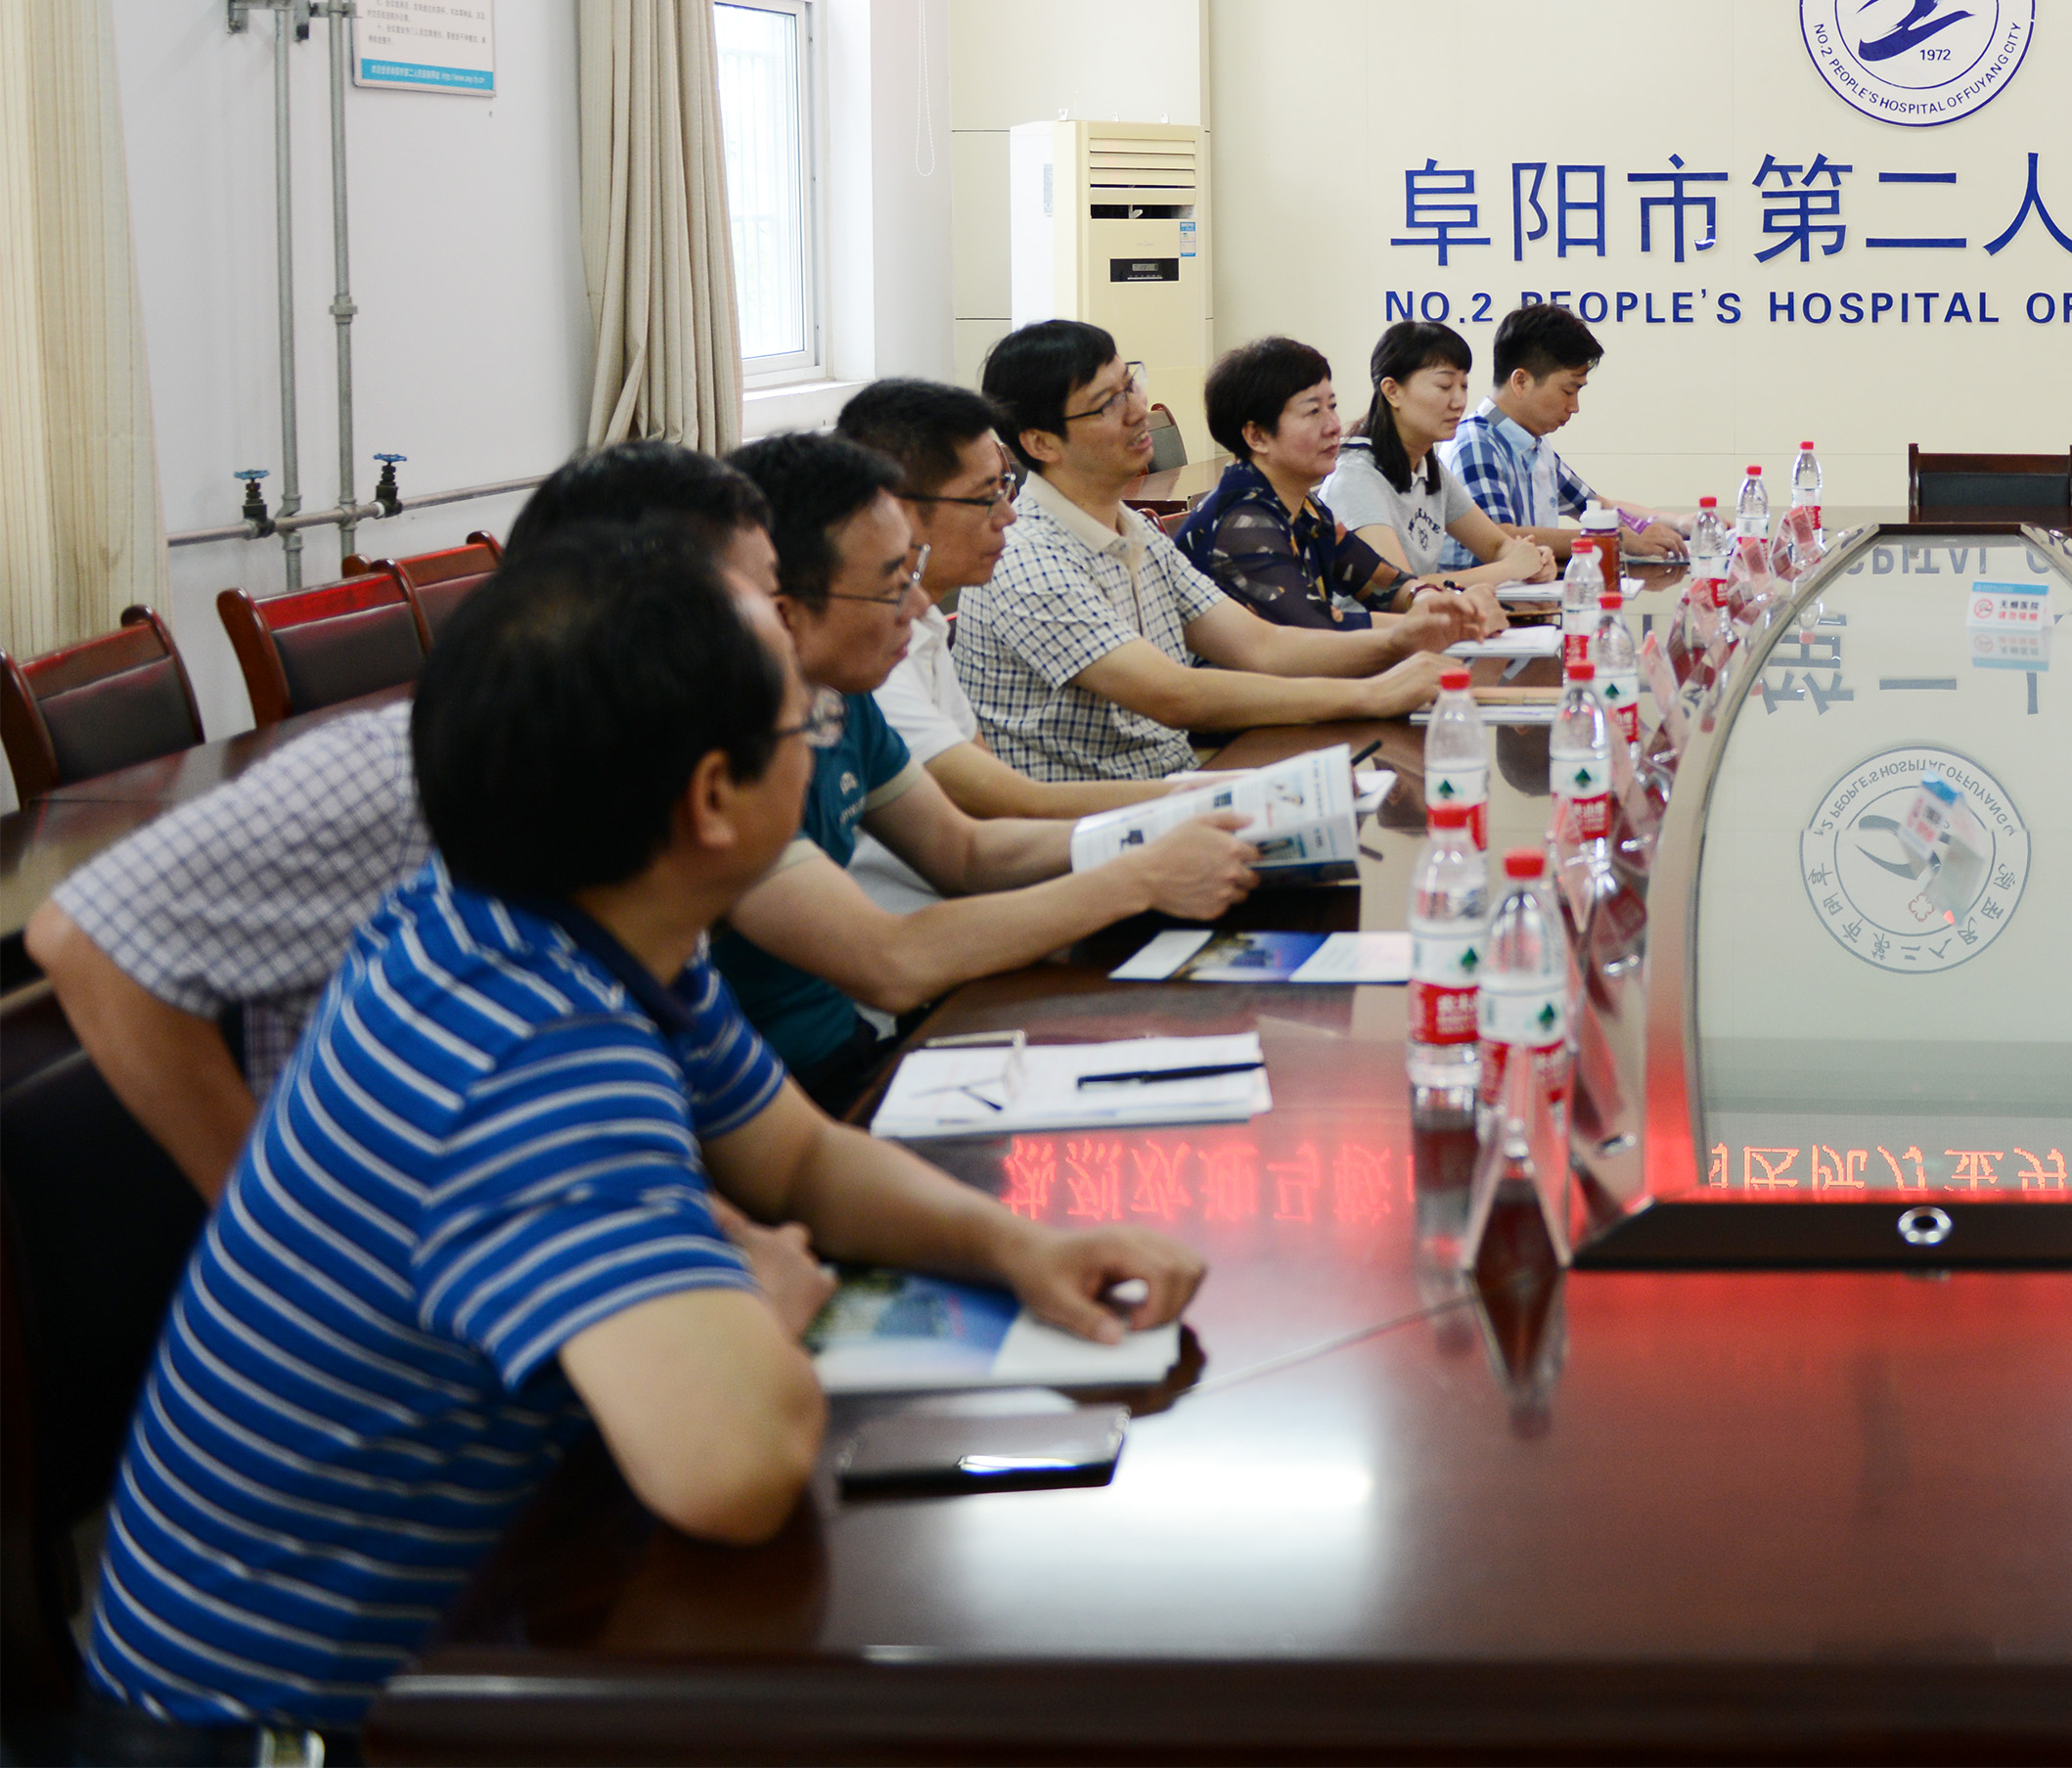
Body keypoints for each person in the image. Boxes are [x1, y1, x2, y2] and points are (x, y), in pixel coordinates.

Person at [72, 528, 1205, 1752]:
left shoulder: (560, 918)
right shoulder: (527, 1049)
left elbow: (798, 1158)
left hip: (485, 1602)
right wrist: (753, 1295)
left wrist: (1015, 1246)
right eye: (803, 726)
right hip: (282, 1717)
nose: (822, 744)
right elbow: (734, 1466)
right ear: (712, 798)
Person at [22, 441, 775, 1199]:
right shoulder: (399, 773)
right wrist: (269, 1209)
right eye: (755, 606)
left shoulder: (635, 802)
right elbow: (80, 934)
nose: (781, 634)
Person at [718, 431, 1263, 1107]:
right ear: (784, 611)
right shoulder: (724, 759)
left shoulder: (842, 698)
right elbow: (892, 961)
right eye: (891, 586)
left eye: (913, 573)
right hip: (807, 1079)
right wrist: (1141, 874)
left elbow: (966, 850)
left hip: (856, 1051)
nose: (921, 607)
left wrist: (1172, 814)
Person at [958, 320, 1455, 784]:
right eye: (1107, 402)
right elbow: (1173, 695)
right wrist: (1372, 691)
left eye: (1130, 384)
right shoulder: (1029, 560)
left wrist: (1404, 636)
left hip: (1177, 783)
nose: (1138, 410)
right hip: (1098, 818)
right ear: (1041, 443)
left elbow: (1261, 645)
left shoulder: (1136, 531)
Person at [833, 377, 1200, 827]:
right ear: (897, 508)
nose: (1008, 515)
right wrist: (1204, 800)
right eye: (985, 496)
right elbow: (1006, 810)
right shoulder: (868, 657)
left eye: (1006, 486)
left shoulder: (922, 619)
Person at [1172, 335, 1507, 639]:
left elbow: (1385, 585)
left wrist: (1432, 601)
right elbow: (1316, 632)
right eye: (1313, 412)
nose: (1334, 426)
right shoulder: (1242, 522)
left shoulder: (1306, 509)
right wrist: (1447, 620)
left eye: (1332, 406)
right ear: (1257, 436)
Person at [1324, 317, 1558, 586]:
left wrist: (1535, 558)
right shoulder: (1355, 477)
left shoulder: (1428, 467)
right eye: (1445, 386)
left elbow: (1496, 546)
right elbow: (1400, 587)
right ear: (1392, 391)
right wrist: (1510, 568)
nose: (1459, 401)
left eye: (1464, 387)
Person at [1443, 301, 1685, 560]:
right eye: (1568, 391)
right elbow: (1501, 539)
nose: (1574, 407)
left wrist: (1681, 523)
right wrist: (1615, 539)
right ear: (1521, 382)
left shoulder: (1534, 445)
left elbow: (1597, 508)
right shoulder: (1475, 444)